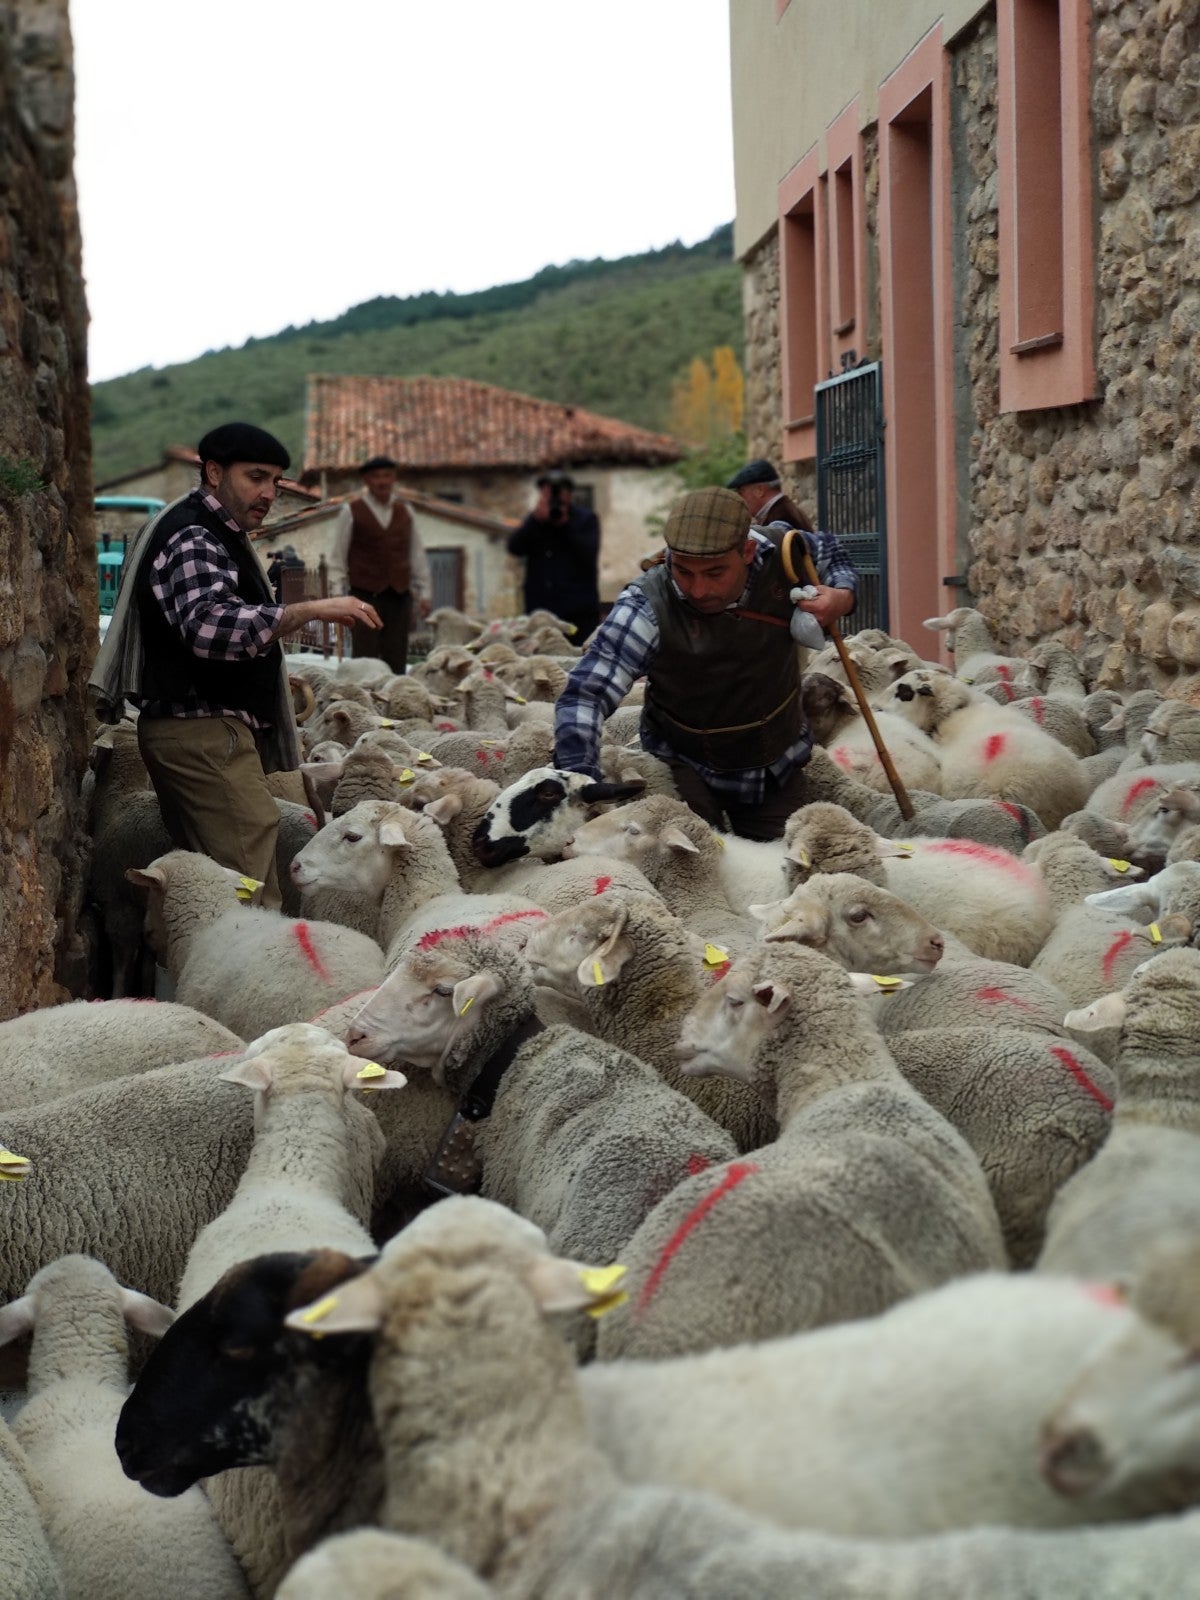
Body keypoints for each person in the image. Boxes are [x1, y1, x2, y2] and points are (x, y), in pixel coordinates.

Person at [90, 422, 381, 907]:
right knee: (245, 890)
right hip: (202, 733)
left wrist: (266, 666)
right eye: (256, 477)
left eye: (276, 482)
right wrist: (311, 609)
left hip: (197, 729)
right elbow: (208, 626)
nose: (268, 492)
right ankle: (245, 975)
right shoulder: (195, 537)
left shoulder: (207, 531)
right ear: (213, 471)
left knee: (209, 884)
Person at [553, 486, 857, 841]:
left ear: (747, 551)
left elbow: (832, 552)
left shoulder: (785, 550)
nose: (697, 590)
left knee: (779, 873)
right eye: (683, 571)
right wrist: (580, 786)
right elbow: (585, 696)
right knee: (691, 869)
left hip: (776, 762)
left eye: (715, 573)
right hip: (684, 768)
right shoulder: (647, 605)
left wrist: (841, 597)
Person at [330, 455, 430, 673]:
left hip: (399, 596)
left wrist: (425, 592)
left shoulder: (405, 511)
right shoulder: (351, 511)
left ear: (394, 478)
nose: (382, 481)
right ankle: (364, 704)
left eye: (387, 475)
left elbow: (417, 554)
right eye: (376, 477)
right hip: (365, 597)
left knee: (397, 659)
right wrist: (338, 597)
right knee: (365, 659)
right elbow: (337, 558)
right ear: (366, 480)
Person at [507, 470, 601, 642]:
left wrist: (565, 525)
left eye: (559, 491)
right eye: (549, 491)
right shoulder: (536, 522)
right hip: (541, 610)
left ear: (569, 494)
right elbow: (514, 547)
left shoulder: (586, 519)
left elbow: (587, 554)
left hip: (578, 612)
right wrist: (534, 520)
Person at [726, 457, 815, 531]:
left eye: (741, 492)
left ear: (759, 490)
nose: (740, 498)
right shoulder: (785, 510)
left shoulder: (780, 518)